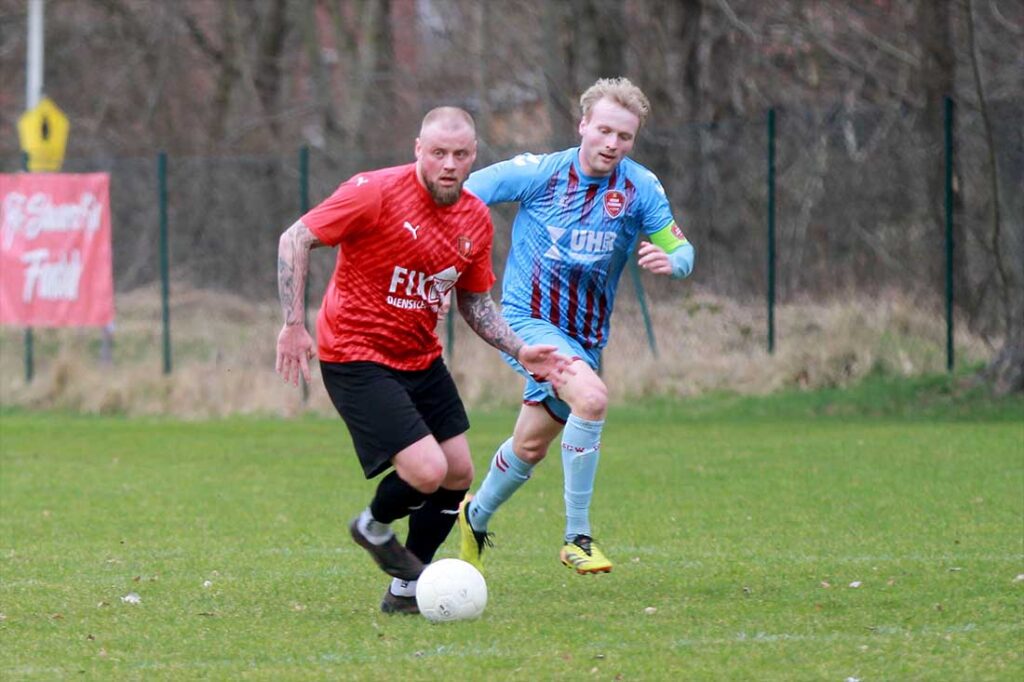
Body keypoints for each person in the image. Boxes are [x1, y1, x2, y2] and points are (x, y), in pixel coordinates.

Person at [275, 106, 573, 615]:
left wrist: (520, 349)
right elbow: (296, 237)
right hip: (355, 353)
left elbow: (474, 302)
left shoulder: (475, 218)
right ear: (418, 150)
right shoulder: (374, 192)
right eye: (438, 153)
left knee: (458, 473)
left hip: (419, 356)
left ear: (474, 155)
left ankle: (406, 591)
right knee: (428, 469)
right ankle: (372, 526)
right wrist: (293, 323)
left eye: (460, 154)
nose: (449, 164)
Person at [458, 77, 695, 575]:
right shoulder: (539, 172)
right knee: (591, 398)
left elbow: (682, 248)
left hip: (584, 338)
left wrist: (673, 262)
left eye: (624, 136)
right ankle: (577, 538)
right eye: (604, 130)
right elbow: (462, 193)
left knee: (529, 446)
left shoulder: (639, 187)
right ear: (583, 124)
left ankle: (474, 517)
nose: (612, 143)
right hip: (527, 321)